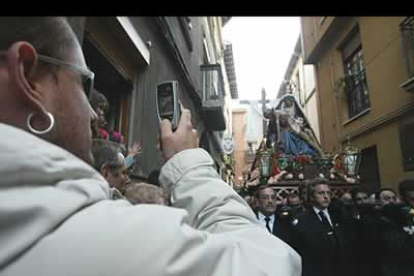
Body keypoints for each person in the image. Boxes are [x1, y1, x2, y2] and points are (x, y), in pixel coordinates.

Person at [0, 17, 300, 276]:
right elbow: (270, 264)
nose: (93, 114)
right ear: (29, 76)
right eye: (83, 83)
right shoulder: (108, 244)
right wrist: (190, 166)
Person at [290, 180, 357, 276]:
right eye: (321, 193)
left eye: (328, 193)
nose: (326, 196)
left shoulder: (339, 215)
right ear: (311, 197)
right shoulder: (301, 220)